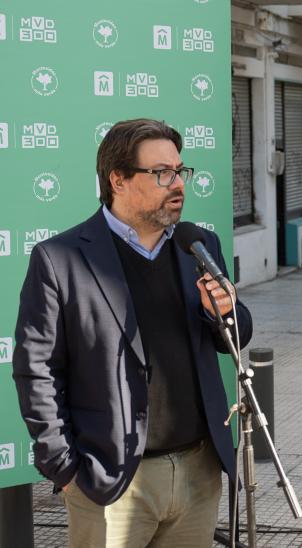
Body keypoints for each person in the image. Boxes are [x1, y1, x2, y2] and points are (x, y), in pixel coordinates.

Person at [12, 118, 253, 547]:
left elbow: (234, 336)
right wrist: (64, 468)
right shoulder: (61, 259)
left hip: (199, 469)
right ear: (118, 179)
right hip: (110, 478)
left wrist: (227, 310)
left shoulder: (198, 246)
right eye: (161, 173)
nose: (177, 183)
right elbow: (37, 371)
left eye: (180, 171)